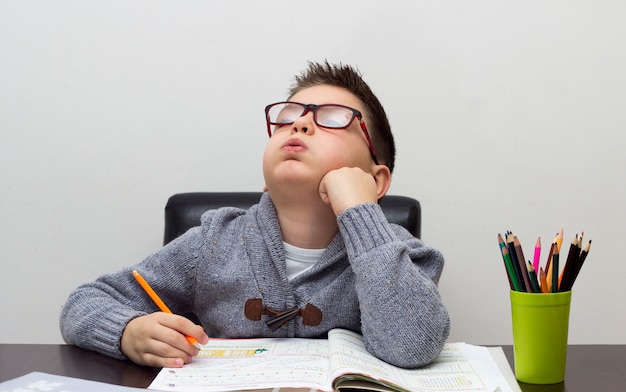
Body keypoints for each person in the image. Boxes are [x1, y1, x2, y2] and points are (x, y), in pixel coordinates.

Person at [60, 61, 450, 369]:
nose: (299, 122)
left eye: (332, 118)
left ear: (375, 180)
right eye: (289, 115)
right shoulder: (214, 241)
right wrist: (128, 332)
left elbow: (413, 347)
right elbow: (84, 302)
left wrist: (360, 212)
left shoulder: (403, 254)